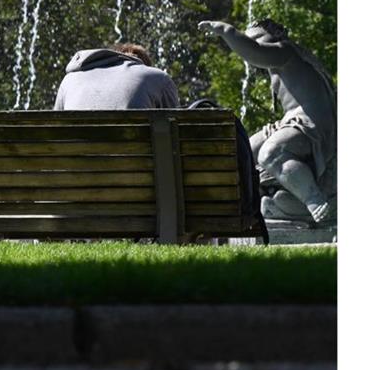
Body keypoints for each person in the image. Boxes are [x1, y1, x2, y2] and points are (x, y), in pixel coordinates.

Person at [198, 18, 336, 224]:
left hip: (311, 121)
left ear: (277, 35)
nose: (253, 43)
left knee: (271, 152)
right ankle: (268, 205)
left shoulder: (286, 51)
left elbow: (255, 51)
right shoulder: (278, 65)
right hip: (289, 121)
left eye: (258, 38)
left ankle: (314, 199)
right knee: (244, 150)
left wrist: (225, 31)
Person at [53, 43, 179, 110]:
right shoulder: (157, 77)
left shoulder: (69, 79)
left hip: (75, 157)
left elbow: (55, 132)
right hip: (134, 158)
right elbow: (175, 131)